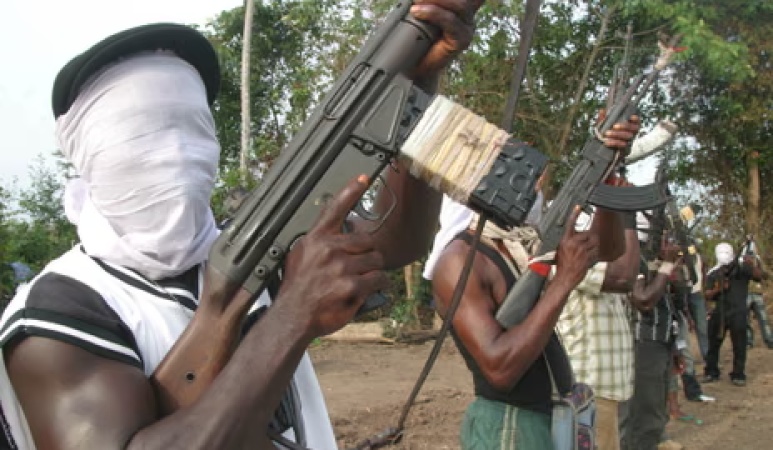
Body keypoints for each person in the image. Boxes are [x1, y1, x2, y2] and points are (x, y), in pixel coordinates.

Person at [0, 2, 485, 449]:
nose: (175, 151)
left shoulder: (248, 242)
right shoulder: (56, 311)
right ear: (87, 155)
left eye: (191, 126)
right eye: (142, 132)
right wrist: (292, 315)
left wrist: (416, 87)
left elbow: (397, 243)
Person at [426, 117, 641, 449]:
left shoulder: (521, 245)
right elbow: (500, 369)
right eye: (523, 175)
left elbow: (609, 248)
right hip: (508, 429)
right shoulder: (459, 262)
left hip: (544, 419)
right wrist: (564, 280)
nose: (535, 185)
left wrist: (608, 174)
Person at [556, 204, 640, 450]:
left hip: (602, 389)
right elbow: (624, 276)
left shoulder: (596, 262)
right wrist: (626, 212)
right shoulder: (571, 257)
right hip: (588, 388)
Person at [626, 237, 684, 450]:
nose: (669, 243)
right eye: (665, 238)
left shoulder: (654, 262)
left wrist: (674, 347)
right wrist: (666, 266)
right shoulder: (634, 258)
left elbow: (669, 307)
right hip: (645, 340)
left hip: (662, 339)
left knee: (658, 402)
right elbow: (643, 301)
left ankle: (658, 438)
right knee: (645, 408)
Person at [703, 242, 764, 386]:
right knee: (713, 344)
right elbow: (707, 294)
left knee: (739, 345)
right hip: (720, 313)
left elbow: (759, 276)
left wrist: (751, 264)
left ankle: (738, 374)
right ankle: (711, 372)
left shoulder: (741, 270)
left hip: (738, 312)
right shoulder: (714, 272)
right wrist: (718, 289)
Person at [740, 237, 772, 348]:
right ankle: (748, 341)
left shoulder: (757, 260)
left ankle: (769, 339)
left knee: (763, 318)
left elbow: (763, 275)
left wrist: (755, 269)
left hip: (757, 292)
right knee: (746, 319)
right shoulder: (741, 262)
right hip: (745, 292)